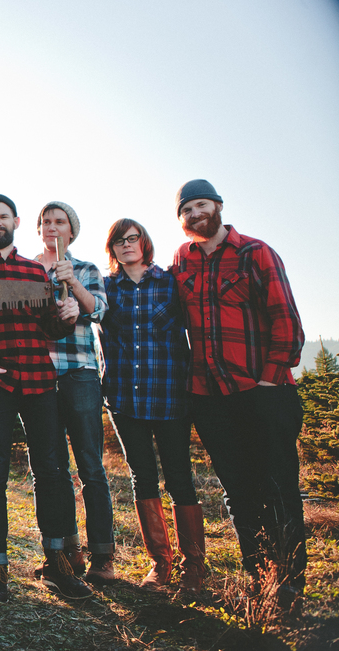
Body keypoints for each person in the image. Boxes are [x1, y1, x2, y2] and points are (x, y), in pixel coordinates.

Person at [0, 194, 88, 602]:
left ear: (16, 221)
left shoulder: (33, 270)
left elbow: (49, 329)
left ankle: (57, 562)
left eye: (3, 216)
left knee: (52, 469)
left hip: (39, 379)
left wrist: (67, 317)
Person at [172, 179, 306, 613]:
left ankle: (290, 587)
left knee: (279, 488)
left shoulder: (255, 252)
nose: (195, 214)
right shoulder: (182, 260)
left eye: (201, 205)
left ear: (219, 206)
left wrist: (268, 380)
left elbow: (286, 319)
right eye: (187, 209)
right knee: (238, 492)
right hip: (210, 399)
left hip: (263, 392)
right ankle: (260, 578)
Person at [99, 219, 203, 592]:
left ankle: (194, 565)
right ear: (111, 249)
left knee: (178, 476)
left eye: (133, 239)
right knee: (142, 475)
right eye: (119, 241)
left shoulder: (169, 282)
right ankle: (161, 563)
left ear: (144, 243)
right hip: (125, 398)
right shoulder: (106, 288)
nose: (126, 245)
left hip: (170, 394)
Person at [35, 201, 115, 585]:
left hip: (79, 373)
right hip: (39, 376)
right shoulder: (29, 270)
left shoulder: (85, 269)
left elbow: (99, 310)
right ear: (38, 229)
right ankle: (67, 551)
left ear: (71, 230)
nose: (53, 227)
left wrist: (74, 282)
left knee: (90, 465)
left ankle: (103, 554)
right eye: (46, 222)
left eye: (60, 222)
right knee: (51, 468)